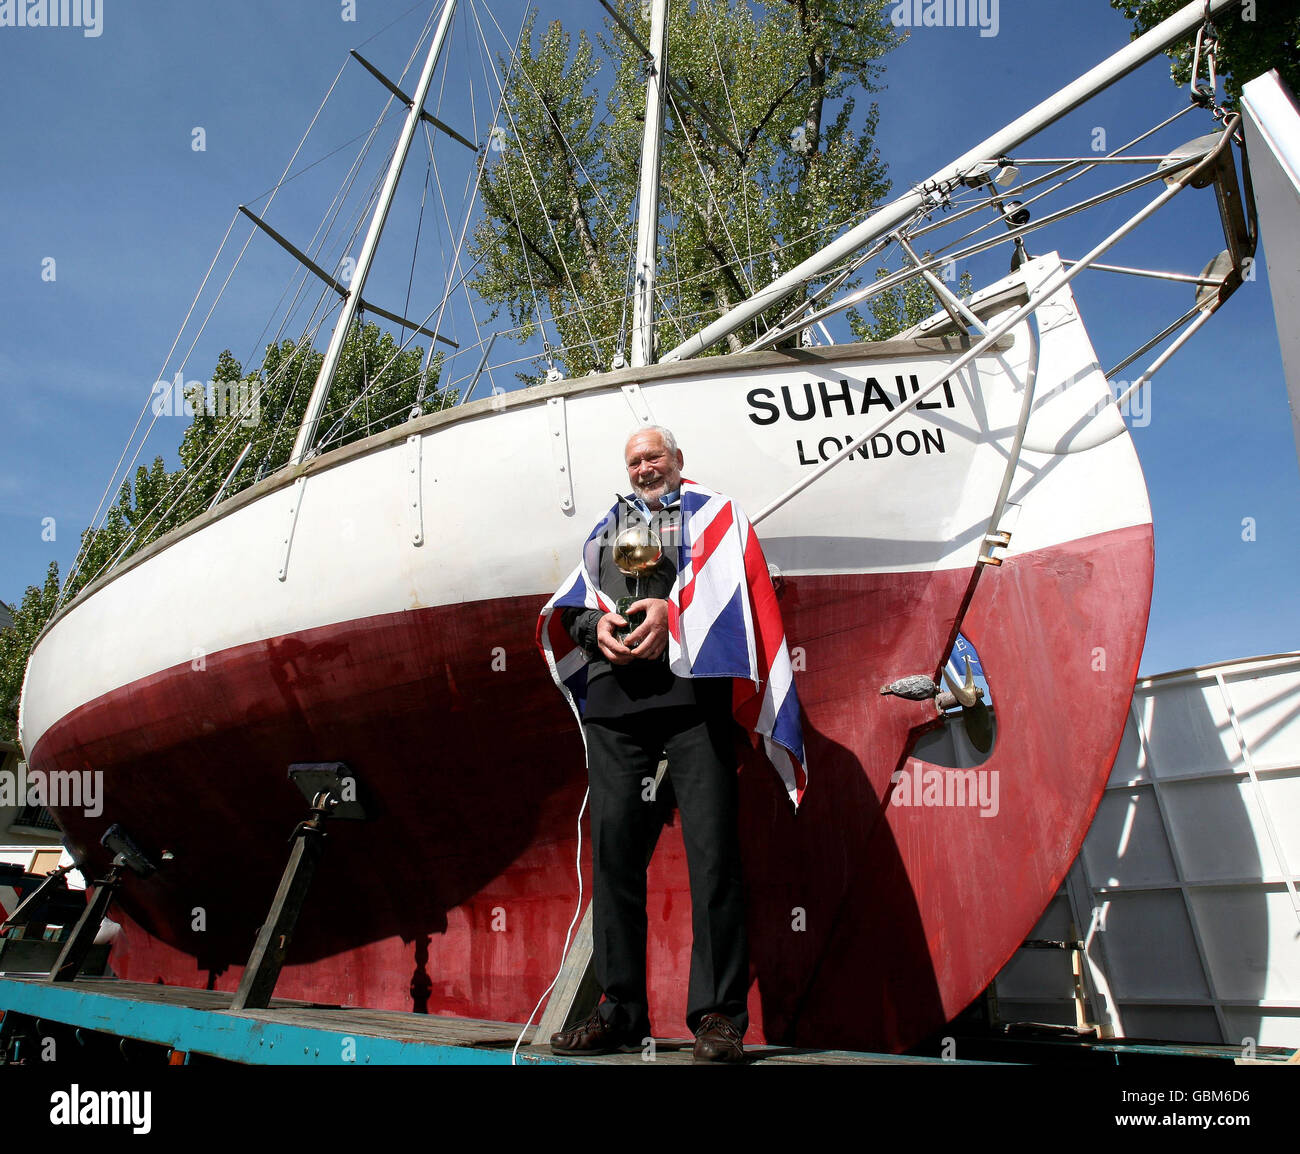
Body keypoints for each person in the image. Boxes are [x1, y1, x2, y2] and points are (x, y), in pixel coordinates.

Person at [537, 426, 805, 1064]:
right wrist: (592, 625)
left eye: (653, 456)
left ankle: (716, 1018)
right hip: (615, 704)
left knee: (713, 853)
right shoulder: (605, 528)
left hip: (692, 698)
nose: (643, 468)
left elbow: (731, 592)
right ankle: (620, 1013)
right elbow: (575, 604)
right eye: (633, 460)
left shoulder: (715, 515)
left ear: (679, 461)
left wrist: (672, 615)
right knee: (615, 855)